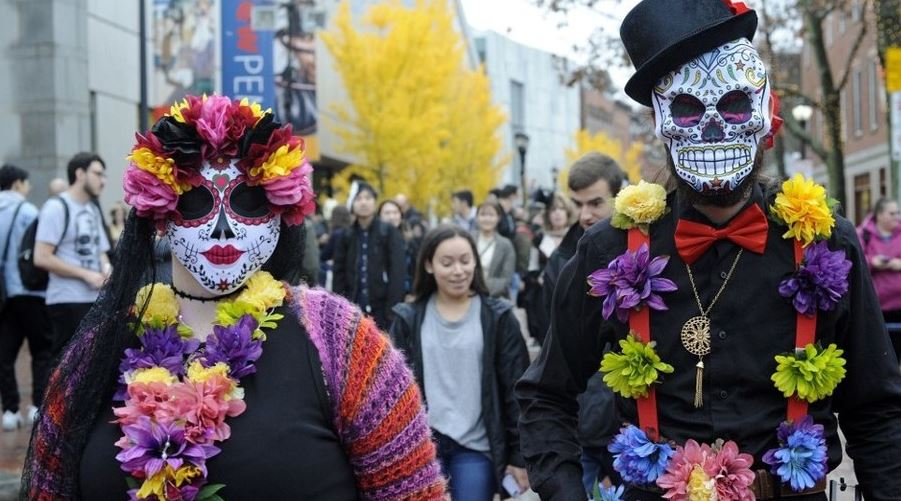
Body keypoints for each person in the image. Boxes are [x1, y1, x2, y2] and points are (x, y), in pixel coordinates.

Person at [516, 1, 901, 500]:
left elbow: (875, 408)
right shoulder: (609, 251)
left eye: (736, 103)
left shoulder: (825, 243)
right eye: (688, 109)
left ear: (764, 115)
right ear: (661, 121)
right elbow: (545, 393)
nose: (714, 129)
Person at [21, 95, 446, 499]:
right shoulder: (97, 354)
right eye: (195, 203)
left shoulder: (343, 344)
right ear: (162, 212)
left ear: (282, 210)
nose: (224, 229)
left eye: (248, 202)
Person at [389, 225, 530, 500]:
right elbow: (392, 393)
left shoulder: (497, 317)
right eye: (447, 263)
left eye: (465, 261)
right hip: (422, 447)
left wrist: (519, 455)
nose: (458, 271)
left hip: (476, 448)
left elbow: (518, 389)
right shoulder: (408, 319)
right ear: (429, 265)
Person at [34, 152, 111, 359]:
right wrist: (85, 274)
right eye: (97, 174)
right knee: (66, 369)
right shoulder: (56, 207)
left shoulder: (93, 209)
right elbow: (41, 257)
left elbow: (101, 251)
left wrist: (106, 271)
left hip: (95, 300)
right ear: (80, 173)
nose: (103, 181)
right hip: (66, 301)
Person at [0, 165, 53, 431]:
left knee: (5, 353)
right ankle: (35, 406)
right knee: (41, 351)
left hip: (4, 295)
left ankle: (9, 410)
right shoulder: (29, 211)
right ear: (18, 183)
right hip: (31, 291)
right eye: (26, 183)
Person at [333, 182, 406, 330]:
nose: (363, 202)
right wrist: (340, 307)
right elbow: (338, 274)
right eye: (359, 198)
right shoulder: (346, 235)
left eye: (368, 198)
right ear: (352, 203)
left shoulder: (389, 232)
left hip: (382, 310)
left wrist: (392, 311)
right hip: (353, 310)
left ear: (374, 202)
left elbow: (397, 273)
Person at [858, 197, 901, 359]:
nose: (896, 217)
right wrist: (872, 262)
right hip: (878, 308)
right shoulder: (863, 234)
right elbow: (853, 262)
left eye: (897, 212)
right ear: (880, 215)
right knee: (884, 356)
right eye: (892, 213)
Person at [474, 201, 515, 299]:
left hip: (494, 299)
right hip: (467, 297)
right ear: (477, 217)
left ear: (498, 218)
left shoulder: (506, 245)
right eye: (483, 214)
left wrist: (478, 287)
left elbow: (506, 280)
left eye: (491, 215)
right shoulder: (468, 239)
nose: (487, 219)